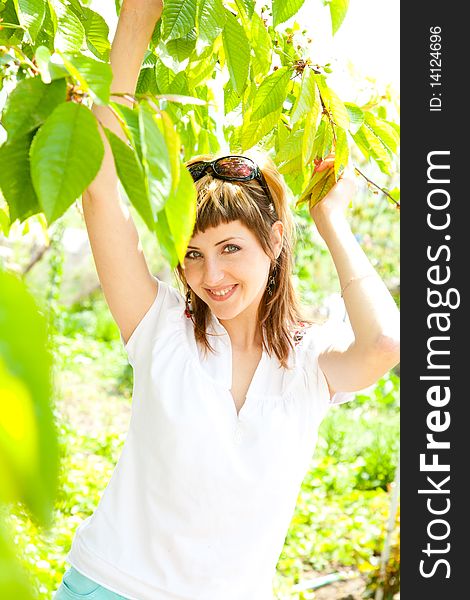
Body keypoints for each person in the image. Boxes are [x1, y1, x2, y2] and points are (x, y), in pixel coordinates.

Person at [53, 1, 400, 599]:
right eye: (192, 254)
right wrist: (136, 23)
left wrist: (330, 216)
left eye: (230, 248)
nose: (210, 274)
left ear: (273, 245)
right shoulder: (158, 325)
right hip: (109, 585)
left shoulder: (309, 361)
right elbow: (99, 195)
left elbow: (385, 345)